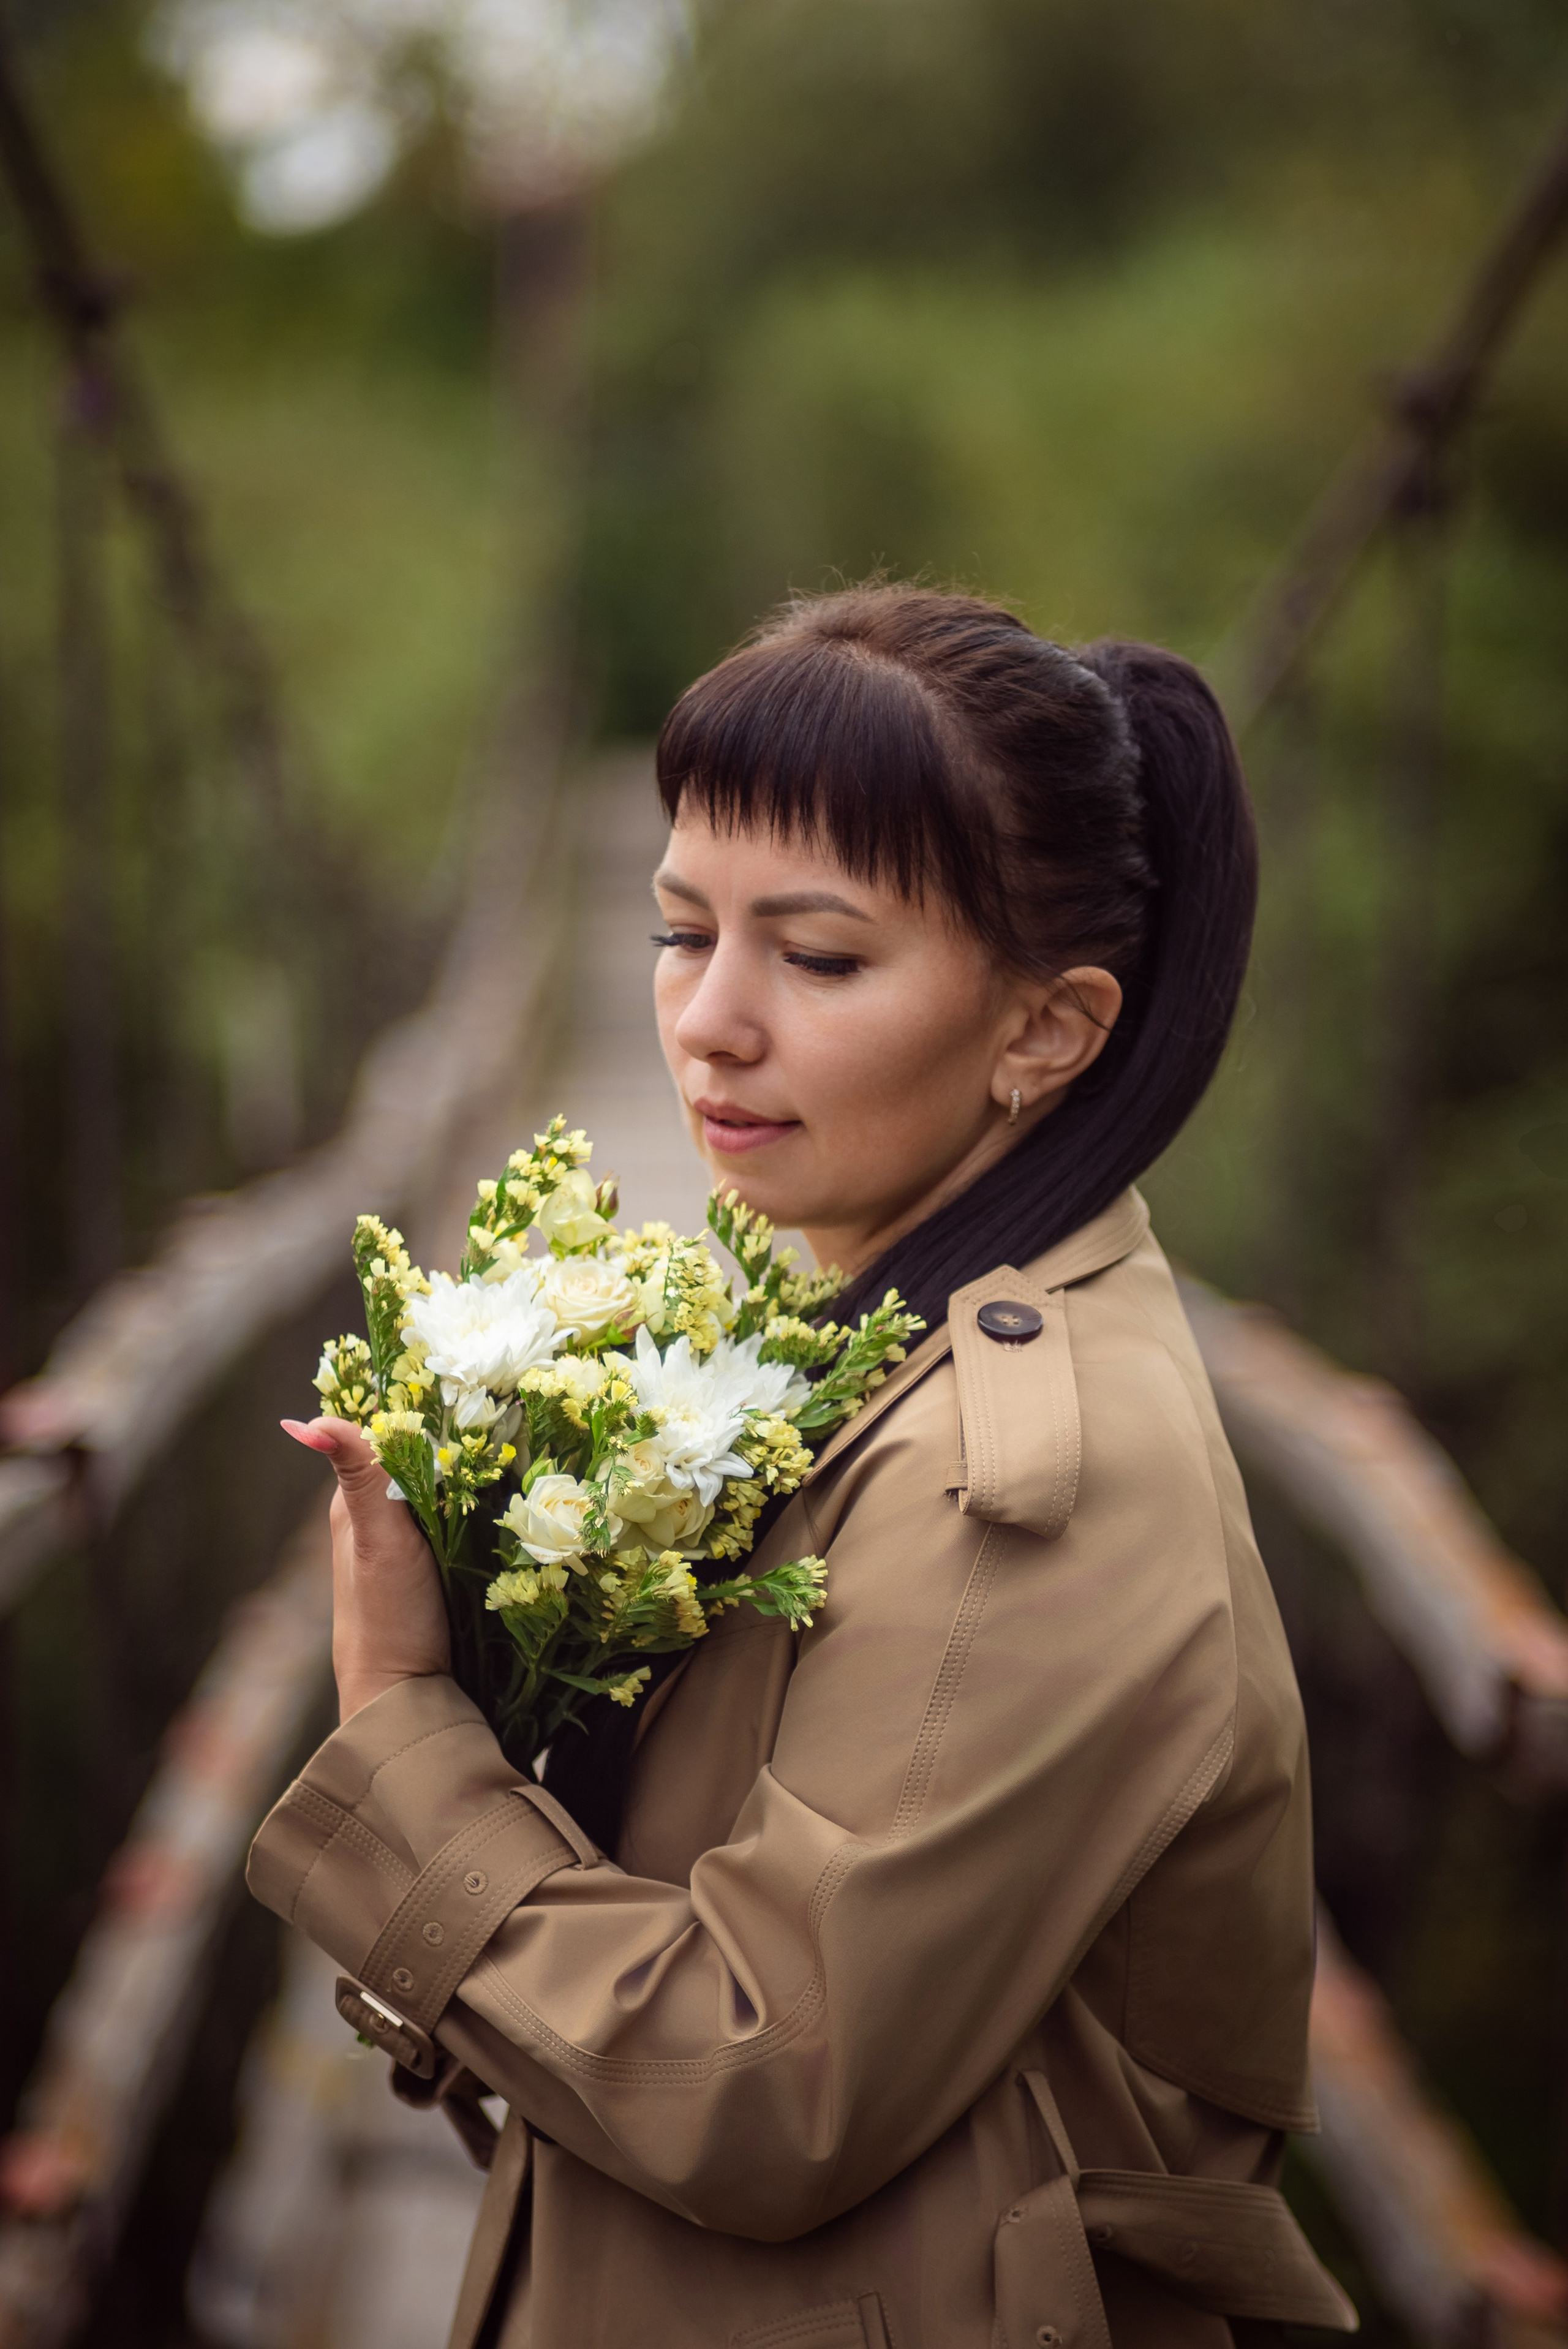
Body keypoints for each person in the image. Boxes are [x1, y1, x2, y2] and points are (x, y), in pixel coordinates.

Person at [253, 586, 1355, 2348]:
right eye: (681, 931)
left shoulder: (1023, 1489)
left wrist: (402, 1722)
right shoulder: (876, 1339)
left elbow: (754, 2081)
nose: (710, 1021)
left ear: (1046, 1031)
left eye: (820, 958)